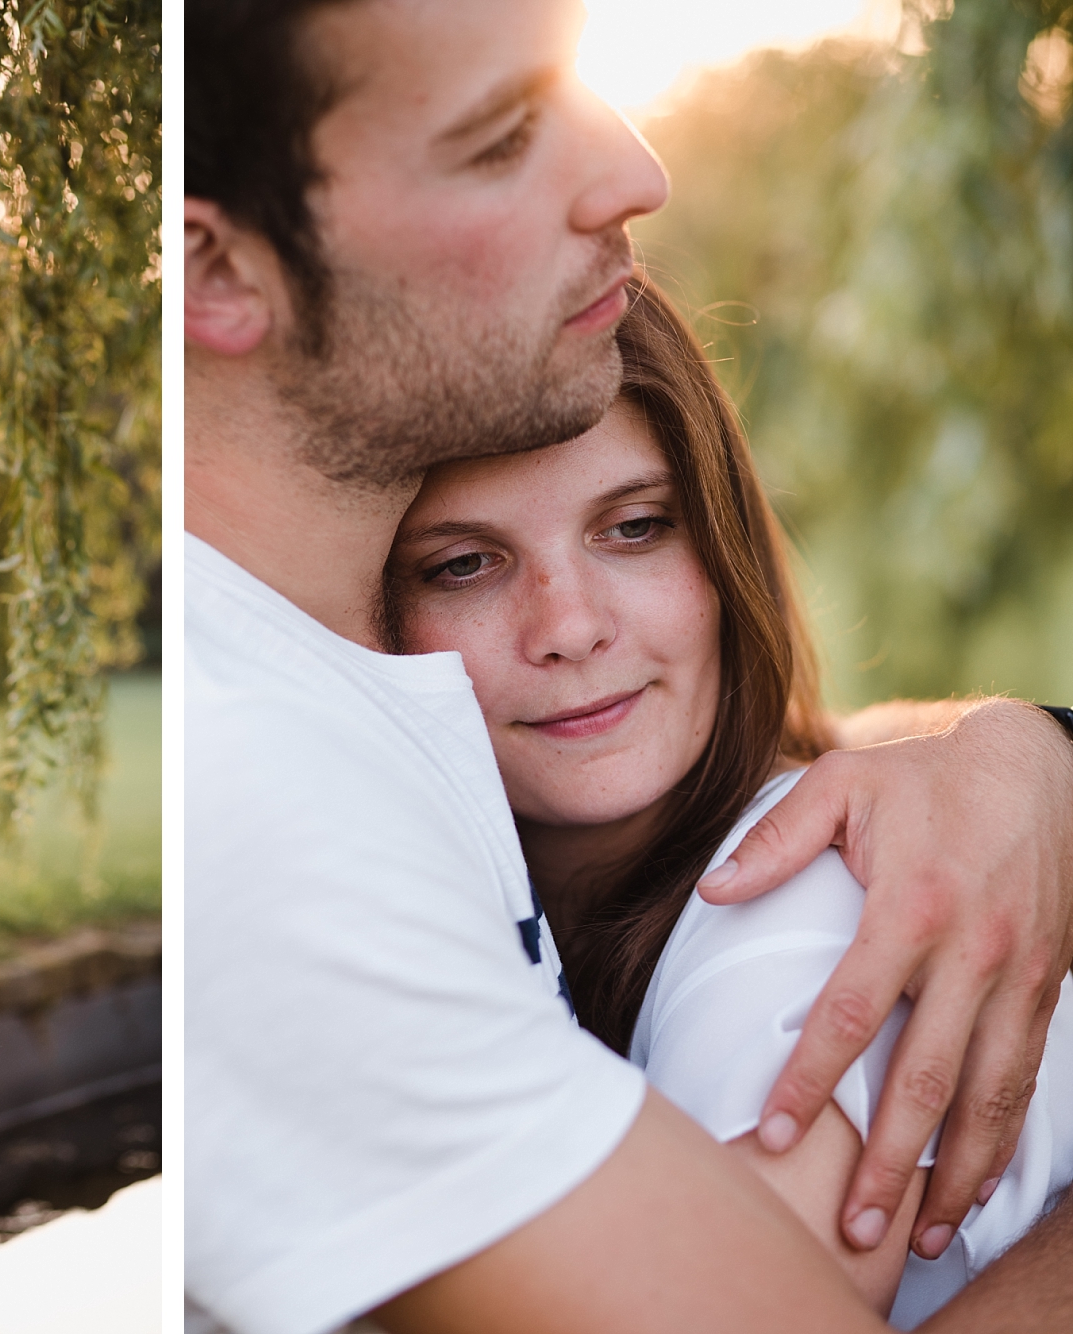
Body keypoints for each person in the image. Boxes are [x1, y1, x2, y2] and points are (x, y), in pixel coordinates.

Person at [185, 1, 1073, 1331]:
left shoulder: (780, 907)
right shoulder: (275, 818)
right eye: (498, 139)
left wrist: (1022, 749)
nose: (639, 174)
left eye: (640, 526)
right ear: (215, 268)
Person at [385, 276, 1073, 1328]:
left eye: (634, 527)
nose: (567, 625)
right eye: (466, 563)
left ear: (721, 549)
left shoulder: (787, 906)